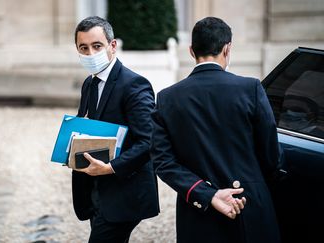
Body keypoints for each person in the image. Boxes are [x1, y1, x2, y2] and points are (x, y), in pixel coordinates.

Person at [150, 17, 282, 243]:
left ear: (191, 51)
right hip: (248, 203)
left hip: (198, 211)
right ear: (227, 48)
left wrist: (207, 194)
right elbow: (271, 155)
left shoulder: (167, 98)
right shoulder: (250, 88)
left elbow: (163, 162)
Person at [72, 16, 159, 243]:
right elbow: (90, 126)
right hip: (95, 191)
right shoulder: (89, 84)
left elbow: (149, 141)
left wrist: (110, 168)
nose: (90, 53)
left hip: (123, 192)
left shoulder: (134, 85)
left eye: (96, 46)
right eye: (84, 47)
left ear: (112, 46)